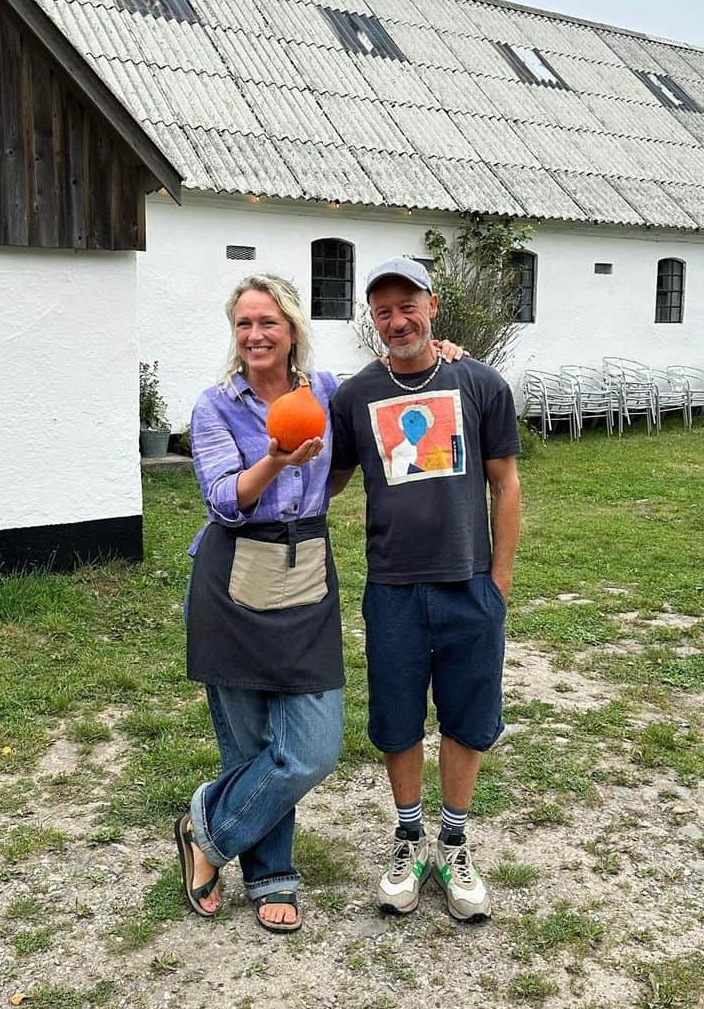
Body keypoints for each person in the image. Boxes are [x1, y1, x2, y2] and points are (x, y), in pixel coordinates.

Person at [330, 256, 522, 923]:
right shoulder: (354, 396)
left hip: (469, 586)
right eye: (382, 311)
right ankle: (409, 837)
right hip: (393, 590)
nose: (397, 320)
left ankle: (455, 842)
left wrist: (497, 581)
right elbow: (328, 480)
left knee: (468, 718)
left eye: (407, 306)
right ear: (372, 321)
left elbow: (505, 482)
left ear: (432, 306)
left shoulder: (479, 382)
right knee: (397, 719)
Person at [176, 274, 344, 933]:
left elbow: (382, 397)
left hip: (304, 571)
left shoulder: (326, 393)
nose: (254, 336)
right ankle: (272, 875)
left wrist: (441, 355)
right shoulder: (215, 406)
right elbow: (222, 500)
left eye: (267, 322)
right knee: (248, 744)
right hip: (236, 580)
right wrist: (275, 459)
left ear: (292, 326)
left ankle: (206, 831)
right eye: (243, 324)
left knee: (312, 749)